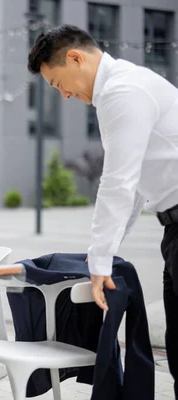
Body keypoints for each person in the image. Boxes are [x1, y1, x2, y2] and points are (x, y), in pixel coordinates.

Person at [28, 24, 178, 396]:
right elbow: (136, 188)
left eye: (57, 82)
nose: (63, 94)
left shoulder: (121, 92)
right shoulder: (126, 86)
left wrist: (99, 264)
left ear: (76, 58)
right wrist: (105, 256)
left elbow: (117, 183)